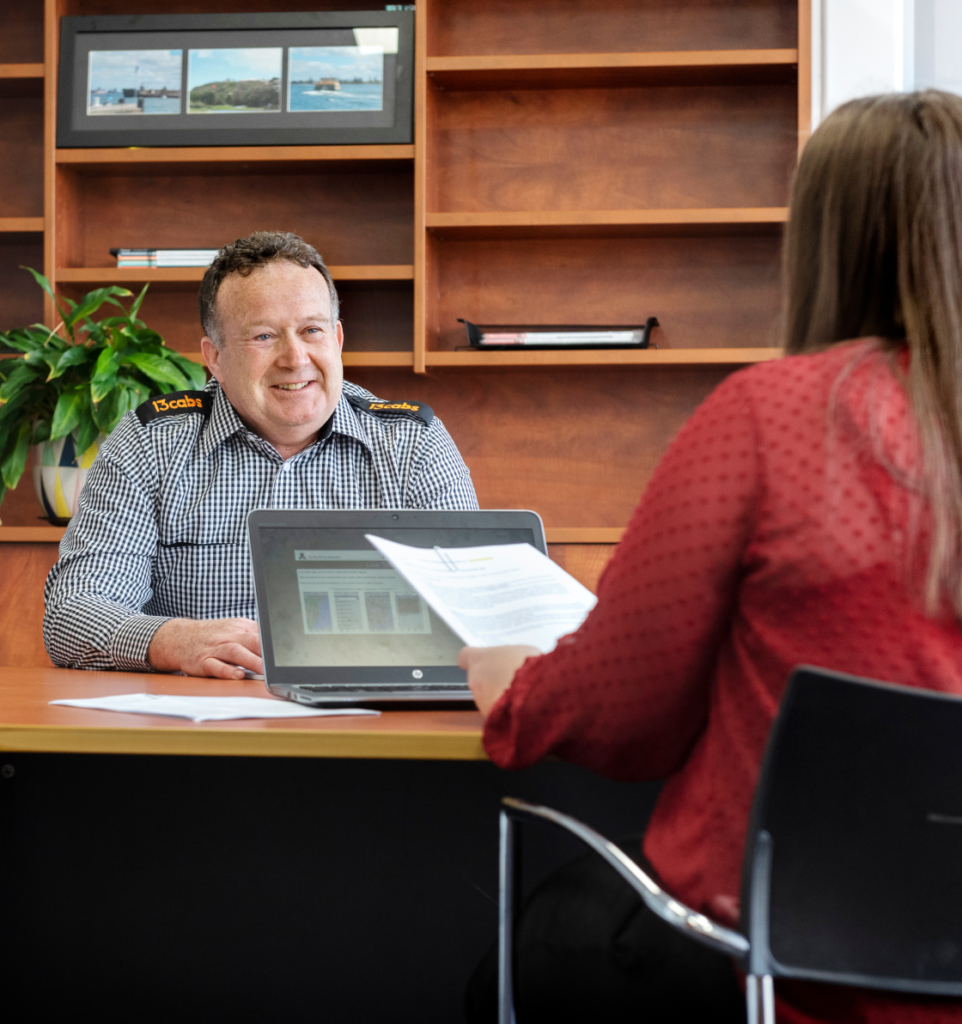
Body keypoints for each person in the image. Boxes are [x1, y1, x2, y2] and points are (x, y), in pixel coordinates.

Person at [460, 91, 962, 1024]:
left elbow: (622, 716)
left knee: (533, 946)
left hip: (768, 964)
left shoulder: (770, 419)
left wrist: (514, 686)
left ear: (821, 241)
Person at [44, 231, 477, 678]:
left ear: (338, 339)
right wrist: (174, 640)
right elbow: (73, 614)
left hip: (369, 723)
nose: (295, 358)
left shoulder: (413, 445)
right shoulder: (150, 445)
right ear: (214, 357)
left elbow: (477, 612)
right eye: (264, 336)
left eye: (312, 330)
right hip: (199, 727)